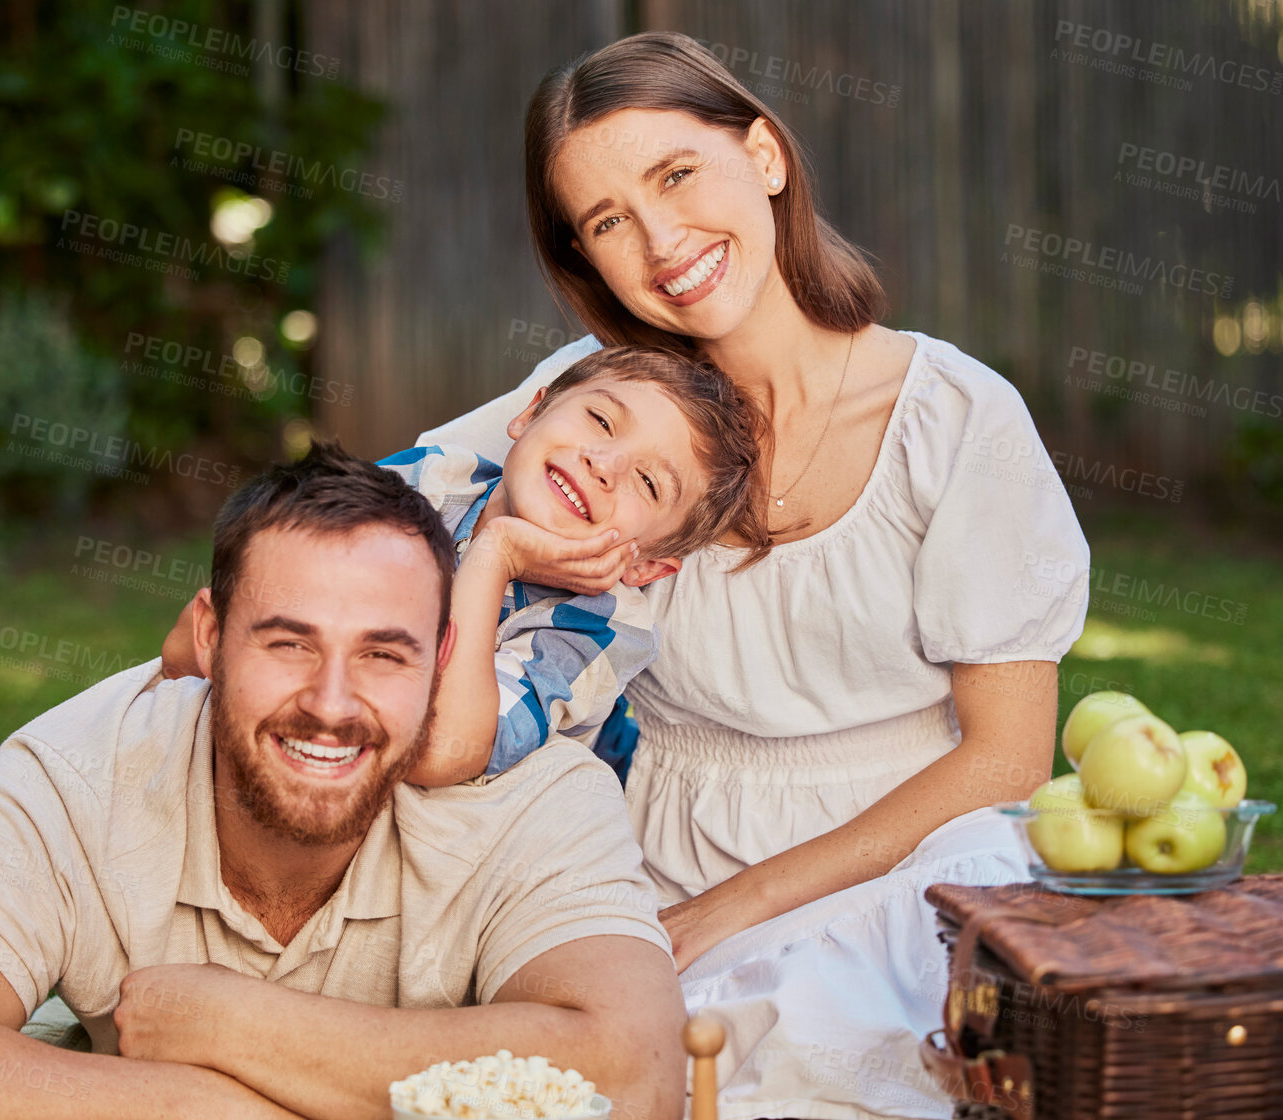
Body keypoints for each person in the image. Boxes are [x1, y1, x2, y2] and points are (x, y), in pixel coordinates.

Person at [416, 31, 1092, 1120]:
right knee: (570, 1065)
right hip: (646, 844)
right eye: (606, 222)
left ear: (765, 156)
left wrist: (729, 909)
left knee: (886, 1030)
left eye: (675, 174)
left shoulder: (954, 418)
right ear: (587, 262)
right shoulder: (587, 403)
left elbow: (1006, 756)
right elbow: (390, 507)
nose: (660, 240)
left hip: (906, 852)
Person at [0, 443, 688, 1120]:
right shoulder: (88, 763)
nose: (332, 704)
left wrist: (231, 1024)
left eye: (383, 655)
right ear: (208, 637)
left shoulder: (536, 794)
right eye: (288, 644)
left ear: (447, 660)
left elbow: (635, 1075)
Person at [164, 344, 769, 787]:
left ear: (648, 566)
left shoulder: (602, 626)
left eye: (647, 482)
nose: (604, 462)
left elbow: (439, 755)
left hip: (492, 832)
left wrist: (495, 557)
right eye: (601, 420)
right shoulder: (435, 477)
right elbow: (190, 651)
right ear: (529, 414)